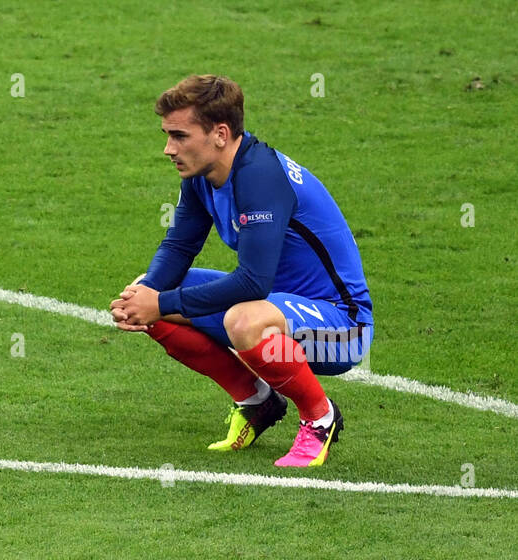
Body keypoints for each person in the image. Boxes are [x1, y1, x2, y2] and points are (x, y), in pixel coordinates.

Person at [111, 75, 373, 467]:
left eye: (180, 136)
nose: (168, 149)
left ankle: (321, 418)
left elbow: (253, 281)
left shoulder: (260, 179)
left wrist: (162, 301)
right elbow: (180, 246)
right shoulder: (203, 175)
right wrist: (147, 296)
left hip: (341, 328)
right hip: (274, 308)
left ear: (220, 133)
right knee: (142, 293)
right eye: (167, 135)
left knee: (242, 319)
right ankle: (257, 401)